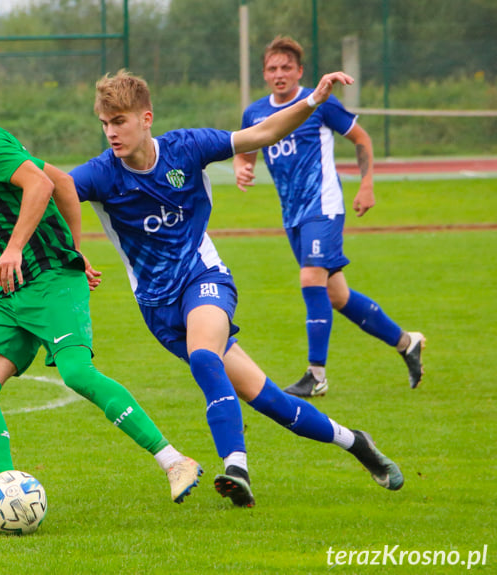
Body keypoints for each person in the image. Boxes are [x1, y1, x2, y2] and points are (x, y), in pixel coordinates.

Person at [69, 70, 404, 508]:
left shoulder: (186, 148)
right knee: (269, 400)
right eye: (105, 123)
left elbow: (263, 132)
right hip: (156, 307)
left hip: (203, 278)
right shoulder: (100, 174)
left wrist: (313, 101)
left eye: (120, 121)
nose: (111, 132)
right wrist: (70, 248)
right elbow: (48, 193)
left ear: (146, 118)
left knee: (205, 358)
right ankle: (355, 442)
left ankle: (236, 468)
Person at [0, 81, 203, 531]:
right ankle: (5, 495)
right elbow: (62, 180)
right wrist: (76, 247)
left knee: (77, 373)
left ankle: (175, 461)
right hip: (18, 292)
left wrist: (18, 247)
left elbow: (40, 185)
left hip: (50, 282)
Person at [233, 36, 425, 397]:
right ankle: (405, 342)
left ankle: (316, 375)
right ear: (264, 74)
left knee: (311, 279)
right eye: (273, 68)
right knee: (336, 294)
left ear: (299, 71)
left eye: (286, 67)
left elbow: (362, 138)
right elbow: (247, 150)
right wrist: (243, 168)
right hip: (292, 214)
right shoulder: (255, 112)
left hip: (323, 205)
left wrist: (366, 184)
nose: (280, 74)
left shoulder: (319, 104)